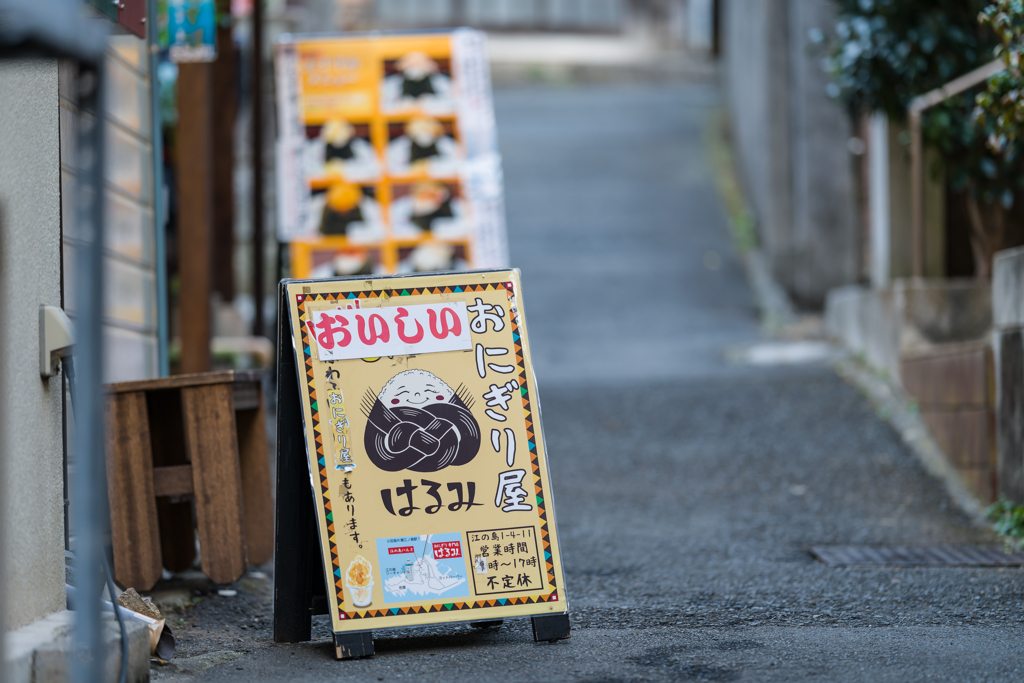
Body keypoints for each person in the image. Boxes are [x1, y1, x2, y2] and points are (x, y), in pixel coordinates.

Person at [307, 118, 380, 182]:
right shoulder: (317, 147)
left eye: (340, 129)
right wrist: (328, 171)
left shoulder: (359, 146)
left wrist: (345, 169)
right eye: (332, 129)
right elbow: (307, 170)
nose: (336, 132)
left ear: (350, 130)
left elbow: (375, 170)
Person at [381, 51, 454, 114]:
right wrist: (404, 106)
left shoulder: (441, 82)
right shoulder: (392, 83)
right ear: (401, 66)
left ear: (431, 65)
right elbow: (382, 105)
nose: (415, 67)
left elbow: (453, 103)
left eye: (419, 63)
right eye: (411, 64)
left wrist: (428, 105)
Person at [390, 181, 468, 238]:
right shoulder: (403, 206)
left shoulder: (452, 207)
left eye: (434, 194)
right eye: (425, 192)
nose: (429, 195)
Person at [386, 117, 458, 177]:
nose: (423, 133)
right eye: (419, 130)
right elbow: (391, 168)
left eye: (427, 129)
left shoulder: (447, 144)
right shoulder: (400, 145)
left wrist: (431, 166)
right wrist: (413, 169)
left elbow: (457, 165)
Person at [314, 182, 385, 242]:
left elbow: (379, 231)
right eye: (339, 210)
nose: (342, 213)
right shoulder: (318, 205)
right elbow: (312, 234)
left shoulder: (368, 206)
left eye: (346, 209)